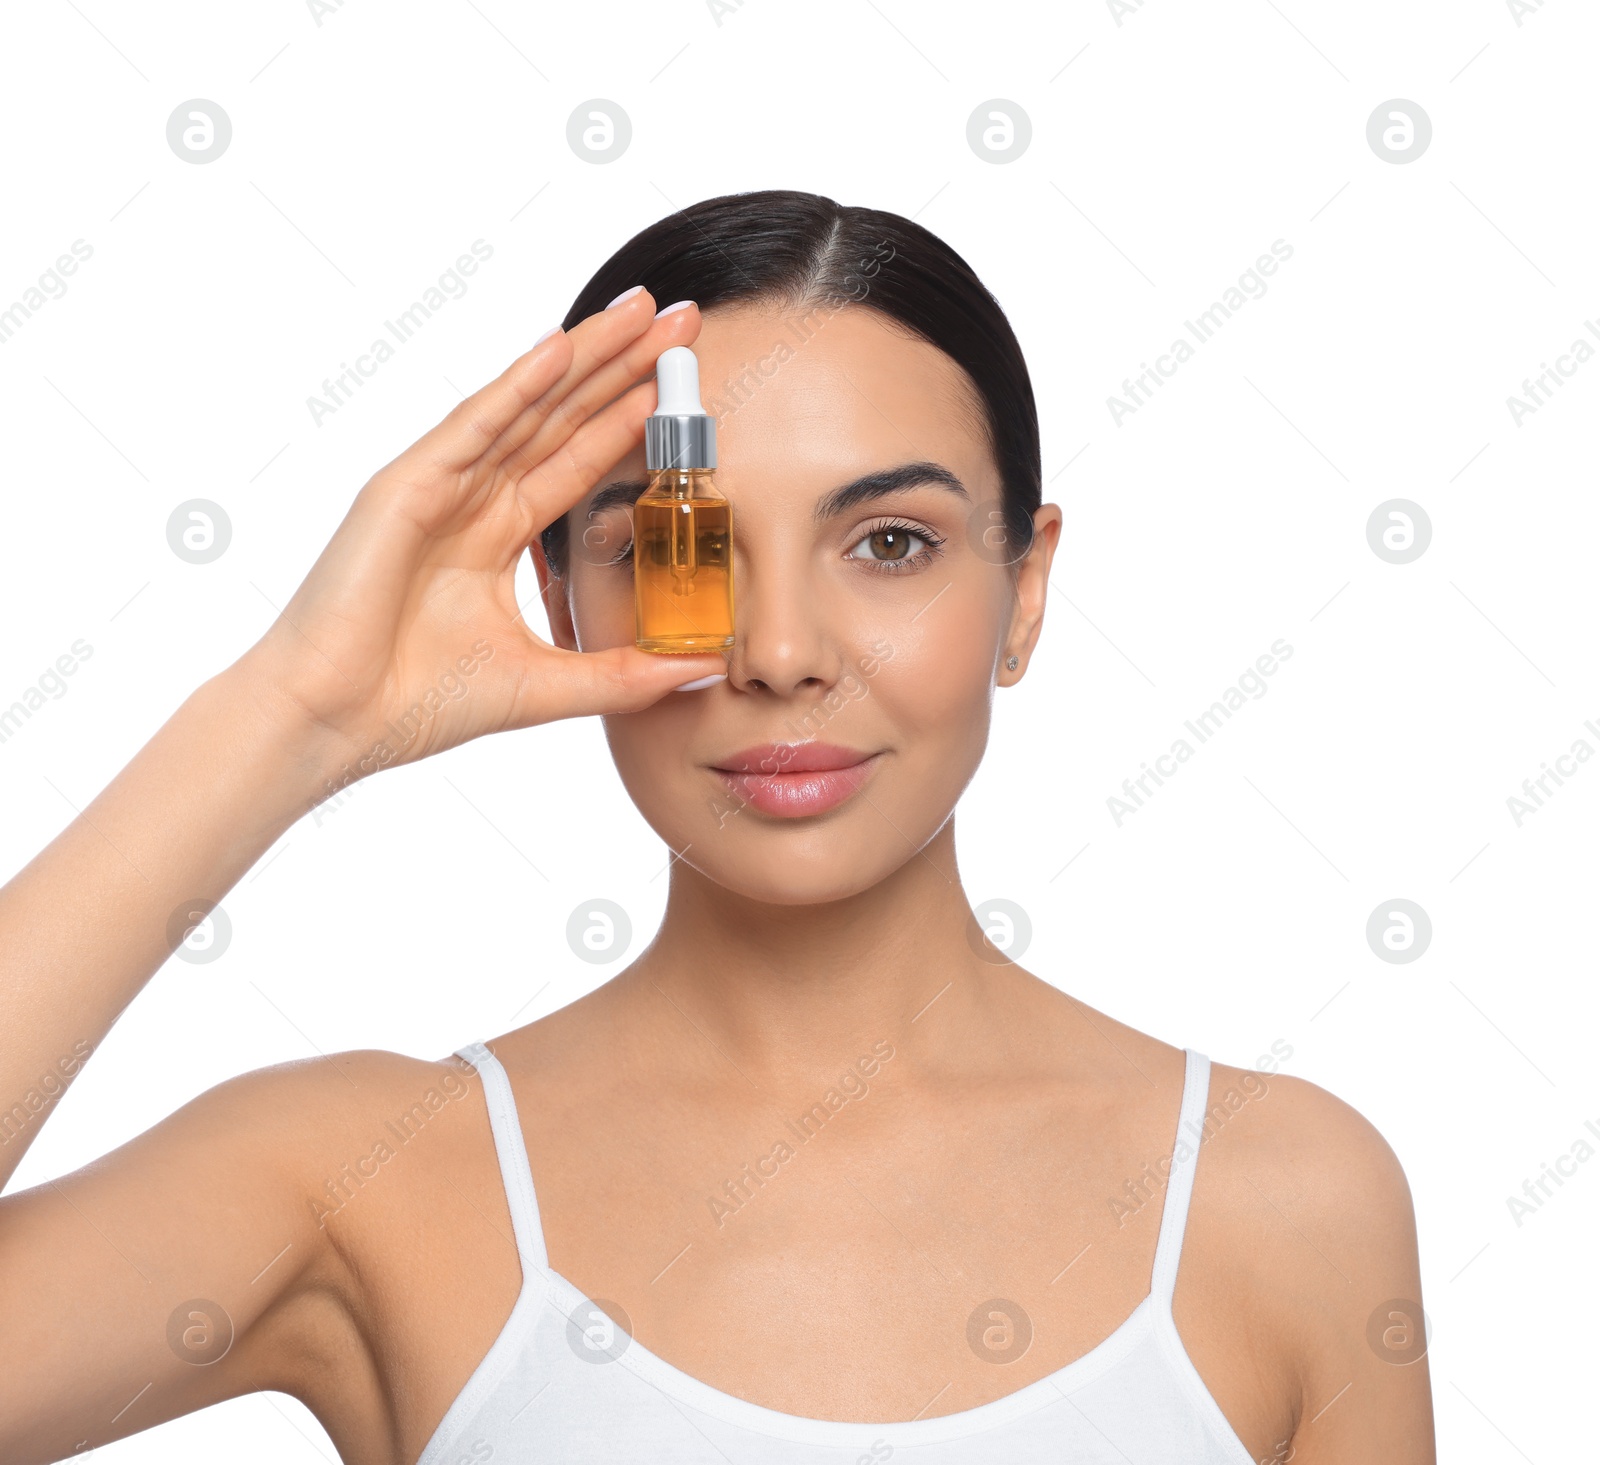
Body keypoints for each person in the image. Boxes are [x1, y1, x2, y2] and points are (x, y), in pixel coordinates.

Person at [0, 190, 1435, 1464]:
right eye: (674, 550)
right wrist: (294, 713)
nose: (783, 652)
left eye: (890, 543)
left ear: (1027, 588)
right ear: (564, 604)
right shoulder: (360, 1181)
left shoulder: (1285, 1196)